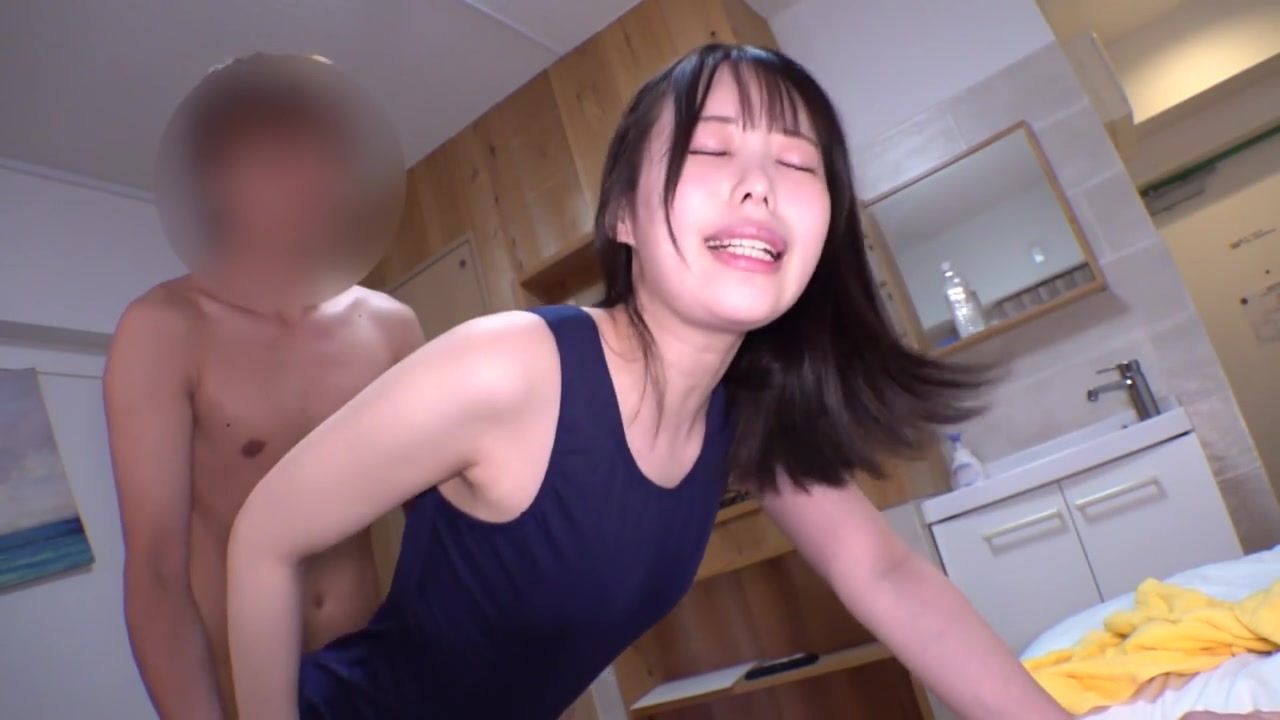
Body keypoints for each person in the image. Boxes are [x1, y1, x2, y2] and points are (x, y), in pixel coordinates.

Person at [226, 44, 1070, 719]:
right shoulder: (509, 365)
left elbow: (884, 574)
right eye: (710, 148)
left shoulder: (742, 414)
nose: (760, 184)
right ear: (622, 215)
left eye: (798, 163)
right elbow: (265, 535)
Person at [105, 54, 423, 720]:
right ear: (219, 182)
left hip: (376, 678)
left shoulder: (390, 326)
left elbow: (444, 525)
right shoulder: (163, 330)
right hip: (245, 696)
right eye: (275, 158)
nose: (307, 179)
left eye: (320, 155)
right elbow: (156, 573)